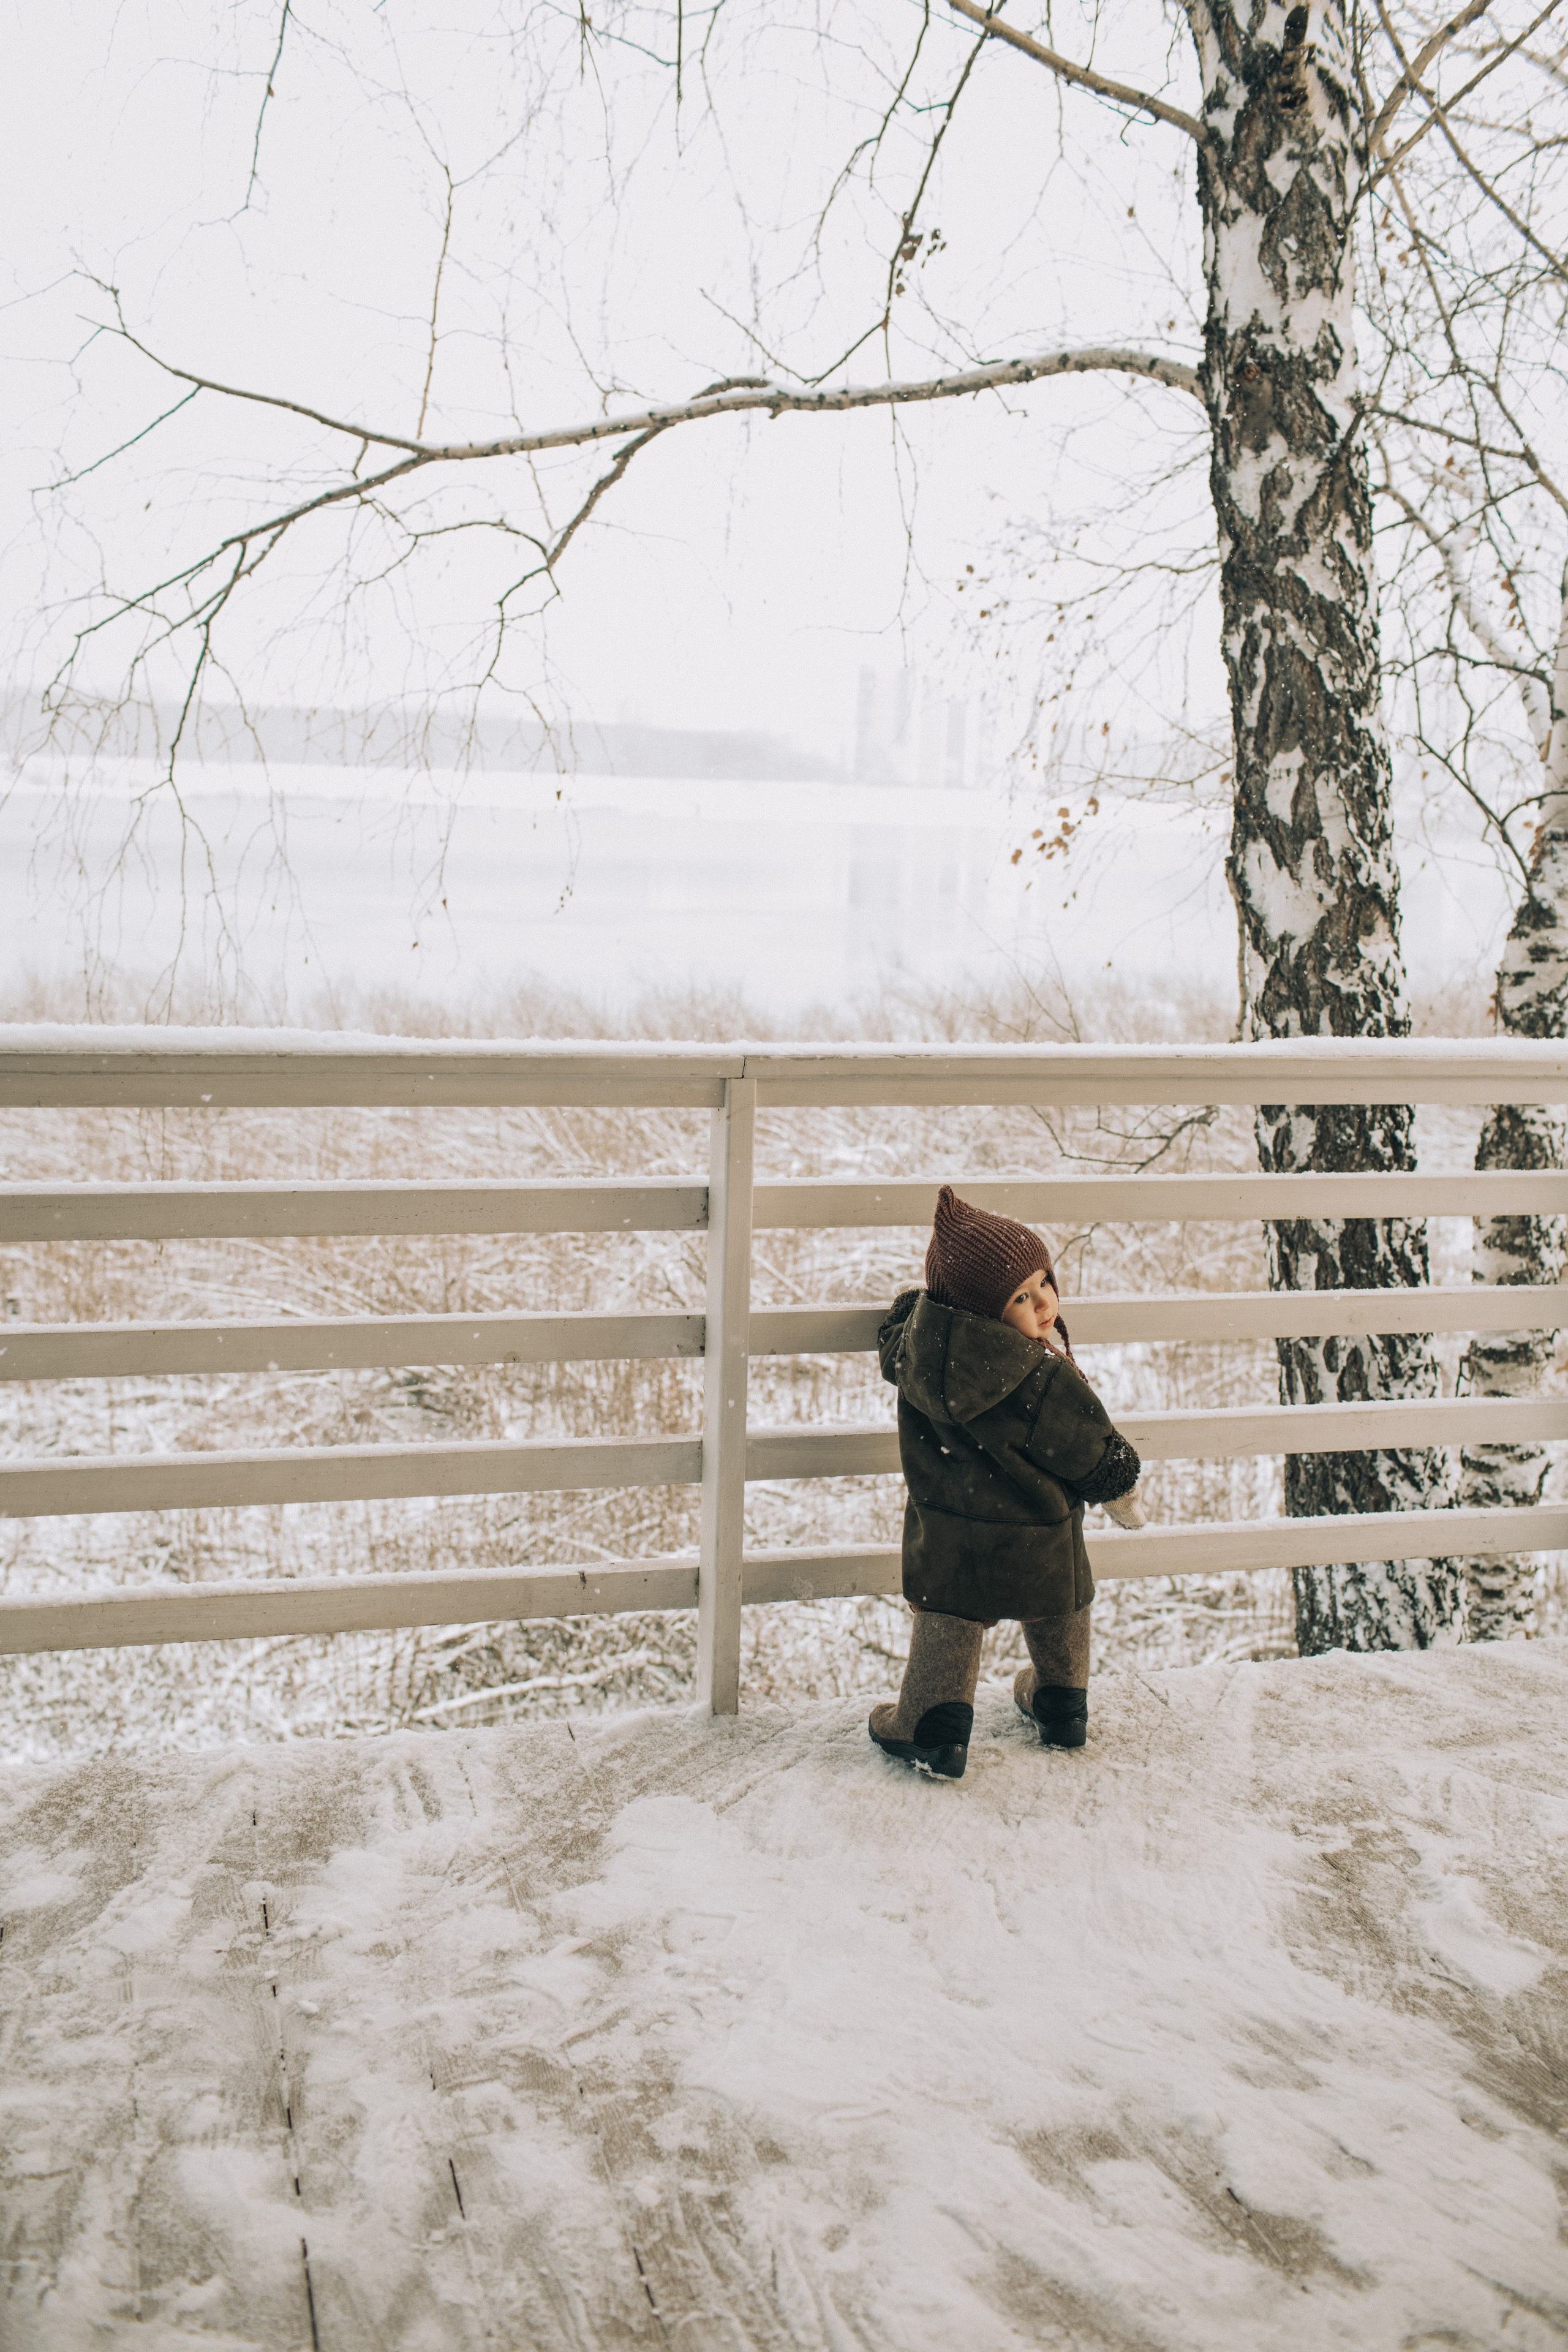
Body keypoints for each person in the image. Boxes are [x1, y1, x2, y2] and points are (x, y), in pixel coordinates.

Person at [869, 1184, 1147, 1781]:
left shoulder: (920, 1354)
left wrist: (911, 1310)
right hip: (1038, 1532)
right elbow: (1085, 1442)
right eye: (1021, 1297)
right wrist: (1119, 1484)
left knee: (948, 1619)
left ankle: (934, 1728)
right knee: (1060, 1605)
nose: (1044, 1303)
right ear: (982, 1311)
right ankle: (1061, 1706)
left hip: (950, 1534)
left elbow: (896, 1339)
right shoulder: (1036, 1375)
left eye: (1044, 1282)